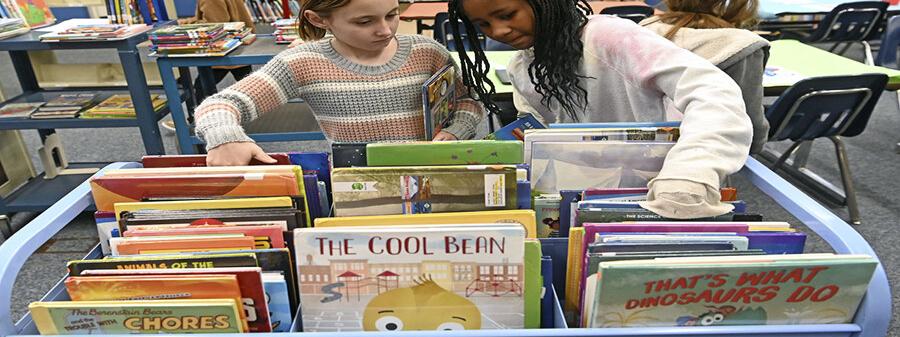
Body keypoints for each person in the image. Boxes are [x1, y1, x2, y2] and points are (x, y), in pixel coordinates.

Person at [448, 0, 753, 219]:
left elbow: (713, 90)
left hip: (666, 194)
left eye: (506, 14)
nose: (498, 31)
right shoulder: (522, 68)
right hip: (592, 200)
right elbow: (541, 134)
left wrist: (692, 170)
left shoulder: (608, 37)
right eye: (483, 25)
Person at [195, 0, 484, 166]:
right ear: (319, 20)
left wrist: (457, 132)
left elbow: (467, 102)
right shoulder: (303, 62)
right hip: (356, 185)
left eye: (392, 15)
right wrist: (226, 137)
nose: (385, 30)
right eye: (364, 22)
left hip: (435, 171)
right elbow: (222, 103)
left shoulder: (428, 52)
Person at [640, 0, 769, 154]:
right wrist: (757, 145)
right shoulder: (743, 46)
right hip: (706, 152)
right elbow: (749, 121)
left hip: (636, 145)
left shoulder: (642, 30)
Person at [161, 0, 257, 132]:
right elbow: (216, 15)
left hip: (222, 50)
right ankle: (255, 113)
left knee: (202, 87)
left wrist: (188, 26)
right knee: (247, 84)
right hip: (238, 45)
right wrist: (190, 21)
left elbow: (215, 24)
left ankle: (197, 123)